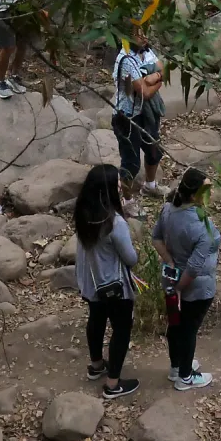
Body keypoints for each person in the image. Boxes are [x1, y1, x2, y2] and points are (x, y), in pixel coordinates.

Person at [73, 164, 141, 400]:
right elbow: (130, 258)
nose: (121, 186)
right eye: (118, 184)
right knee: (121, 329)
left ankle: (96, 365)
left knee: (96, 319)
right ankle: (113, 384)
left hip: (91, 283)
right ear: (109, 190)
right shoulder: (115, 223)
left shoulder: (83, 213)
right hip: (114, 287)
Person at [151, 167, 218, 391]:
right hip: (195, 288)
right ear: (193, 195)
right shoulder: (201, 226)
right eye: (206, 191)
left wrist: (169, 262)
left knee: (175, 324)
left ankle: (177, 366)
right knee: (188, 329)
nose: (212, 194)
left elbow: (156, 238)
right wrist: (181, 288)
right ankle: (186, 377)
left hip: (171, 281)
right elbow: (194, 267)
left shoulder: (168, 209)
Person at [112, 31, 166, 202]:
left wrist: (154, 77)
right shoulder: (126, 60)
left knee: (154, 151)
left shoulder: (146, 51)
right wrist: (159, 80)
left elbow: (162, 68)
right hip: (127, 117)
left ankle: (150, 186)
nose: (144, 38)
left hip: (146, 114)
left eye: (144, 34)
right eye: (138, 35)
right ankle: (127, 201)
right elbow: (144, 93)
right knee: (131, 163)